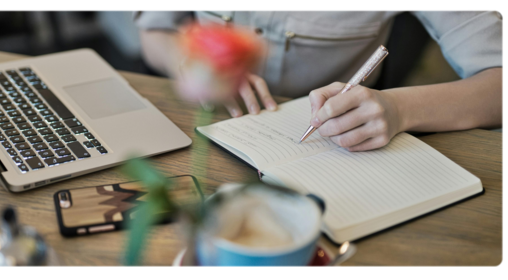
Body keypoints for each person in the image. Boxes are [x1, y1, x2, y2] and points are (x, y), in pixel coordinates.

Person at [134, 8, 504, 151]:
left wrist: (398, 107)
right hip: (197, 130)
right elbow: (154, 32)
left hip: (329, 148)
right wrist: (186, 60)